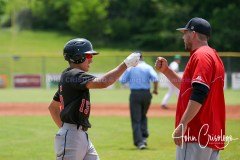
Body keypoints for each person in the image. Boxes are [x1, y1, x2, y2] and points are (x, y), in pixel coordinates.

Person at [48, 38, 140, 160]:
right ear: (78, 57)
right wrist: (125, 64)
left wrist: (66, 129)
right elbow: (103, 83)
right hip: (72, 136)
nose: (91, 60)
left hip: (79, 135)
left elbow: (52, 107)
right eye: (88, 56)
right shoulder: (74, 74)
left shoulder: (69, 77)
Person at [155, 17, 225, 160]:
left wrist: (183, 124)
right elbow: (188, 88)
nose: (183, 37)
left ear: (193, 34)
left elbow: (199, 93)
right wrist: (166, 71)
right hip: (210, 132)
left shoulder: (201, 55)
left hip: (196, 131)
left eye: (185, 33)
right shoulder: (213, 55)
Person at [119, 52, 159, 150]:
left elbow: (122, 80)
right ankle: (144, 135)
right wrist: (155, 90)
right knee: (143, 115)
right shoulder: (148, 67)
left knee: (136, 119)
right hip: (146, 94)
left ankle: (140, 142)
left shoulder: (131, 68)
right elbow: (155, 78)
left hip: (135, 94)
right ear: (142, 57)